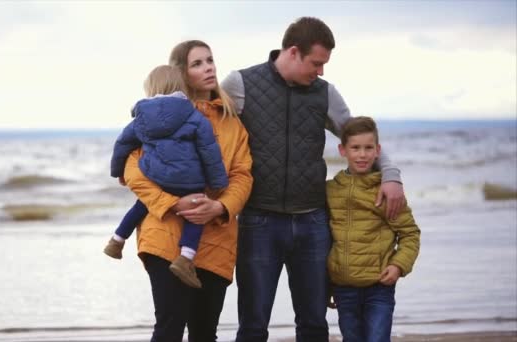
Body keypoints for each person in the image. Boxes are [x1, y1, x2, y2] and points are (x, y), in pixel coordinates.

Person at [221, 17, 406, 341]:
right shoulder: (241, 83)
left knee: (314, 323)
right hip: (258, 220)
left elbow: (358, 136)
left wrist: (391, 176)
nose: (321, 71)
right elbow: (206, 121)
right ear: (293, 52)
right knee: (252, 324)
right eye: (316, 63)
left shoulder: (325, 93)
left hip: (313, 223)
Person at [122, 40, 253, 341]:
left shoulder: (232, 124)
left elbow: (242, 175)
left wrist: (220, 208)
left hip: (217, 238)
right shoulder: (158, 117)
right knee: (169, 329)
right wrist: (172, 203)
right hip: (166, 234)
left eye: (210, 60)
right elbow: (133, 169)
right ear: (181, 73)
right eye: (197, 63)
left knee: (205, 333)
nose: (209, 67)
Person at [103, 65, 229, 289]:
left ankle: (116, 241)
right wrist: (218, 184)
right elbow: (210, 152)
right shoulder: (194, 115)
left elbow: (123, 143)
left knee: (141, 205)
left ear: (151, 88)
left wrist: (118, 171)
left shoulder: (141, 118)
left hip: (157, 177)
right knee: (195, 214)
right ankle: (186, 258)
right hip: (190, 180)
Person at [326, 116, 420, 342]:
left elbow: (410, 234)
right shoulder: (330, 191)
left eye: (368, 148)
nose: (362, 154)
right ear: (342, 150)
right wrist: (326, 283)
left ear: (378, 151)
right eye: (355, 148)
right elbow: (324, 239)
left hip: (379, 287)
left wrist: (398, 266)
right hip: (344, 289)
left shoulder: (387, 193)